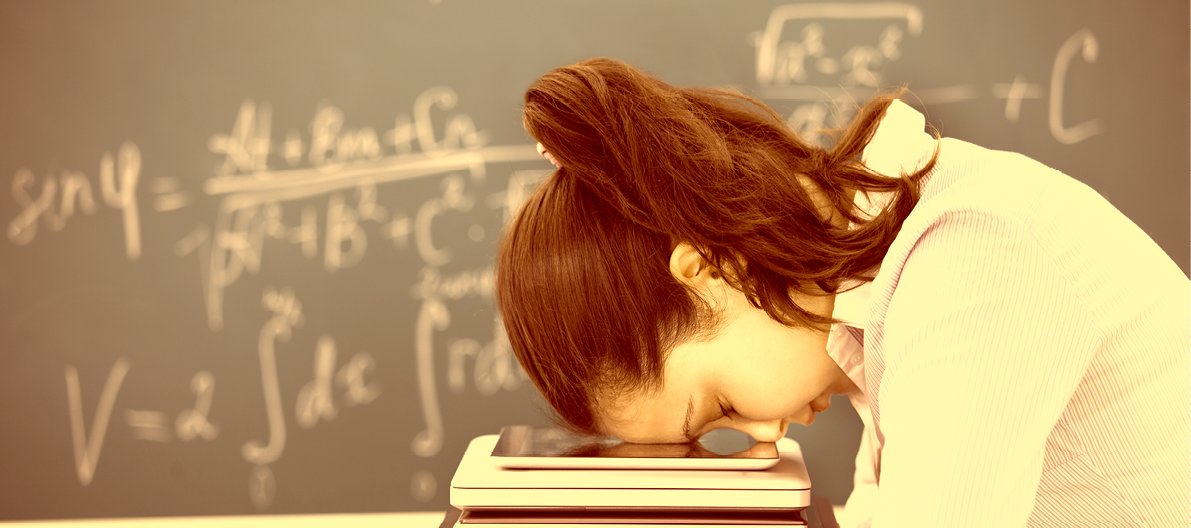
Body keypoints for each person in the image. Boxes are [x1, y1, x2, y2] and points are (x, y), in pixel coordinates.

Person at [495, 58, 1191, 527]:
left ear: (711, 270)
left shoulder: (971, 257)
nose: (764, 437)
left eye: (721, 406)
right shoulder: (884, 291)